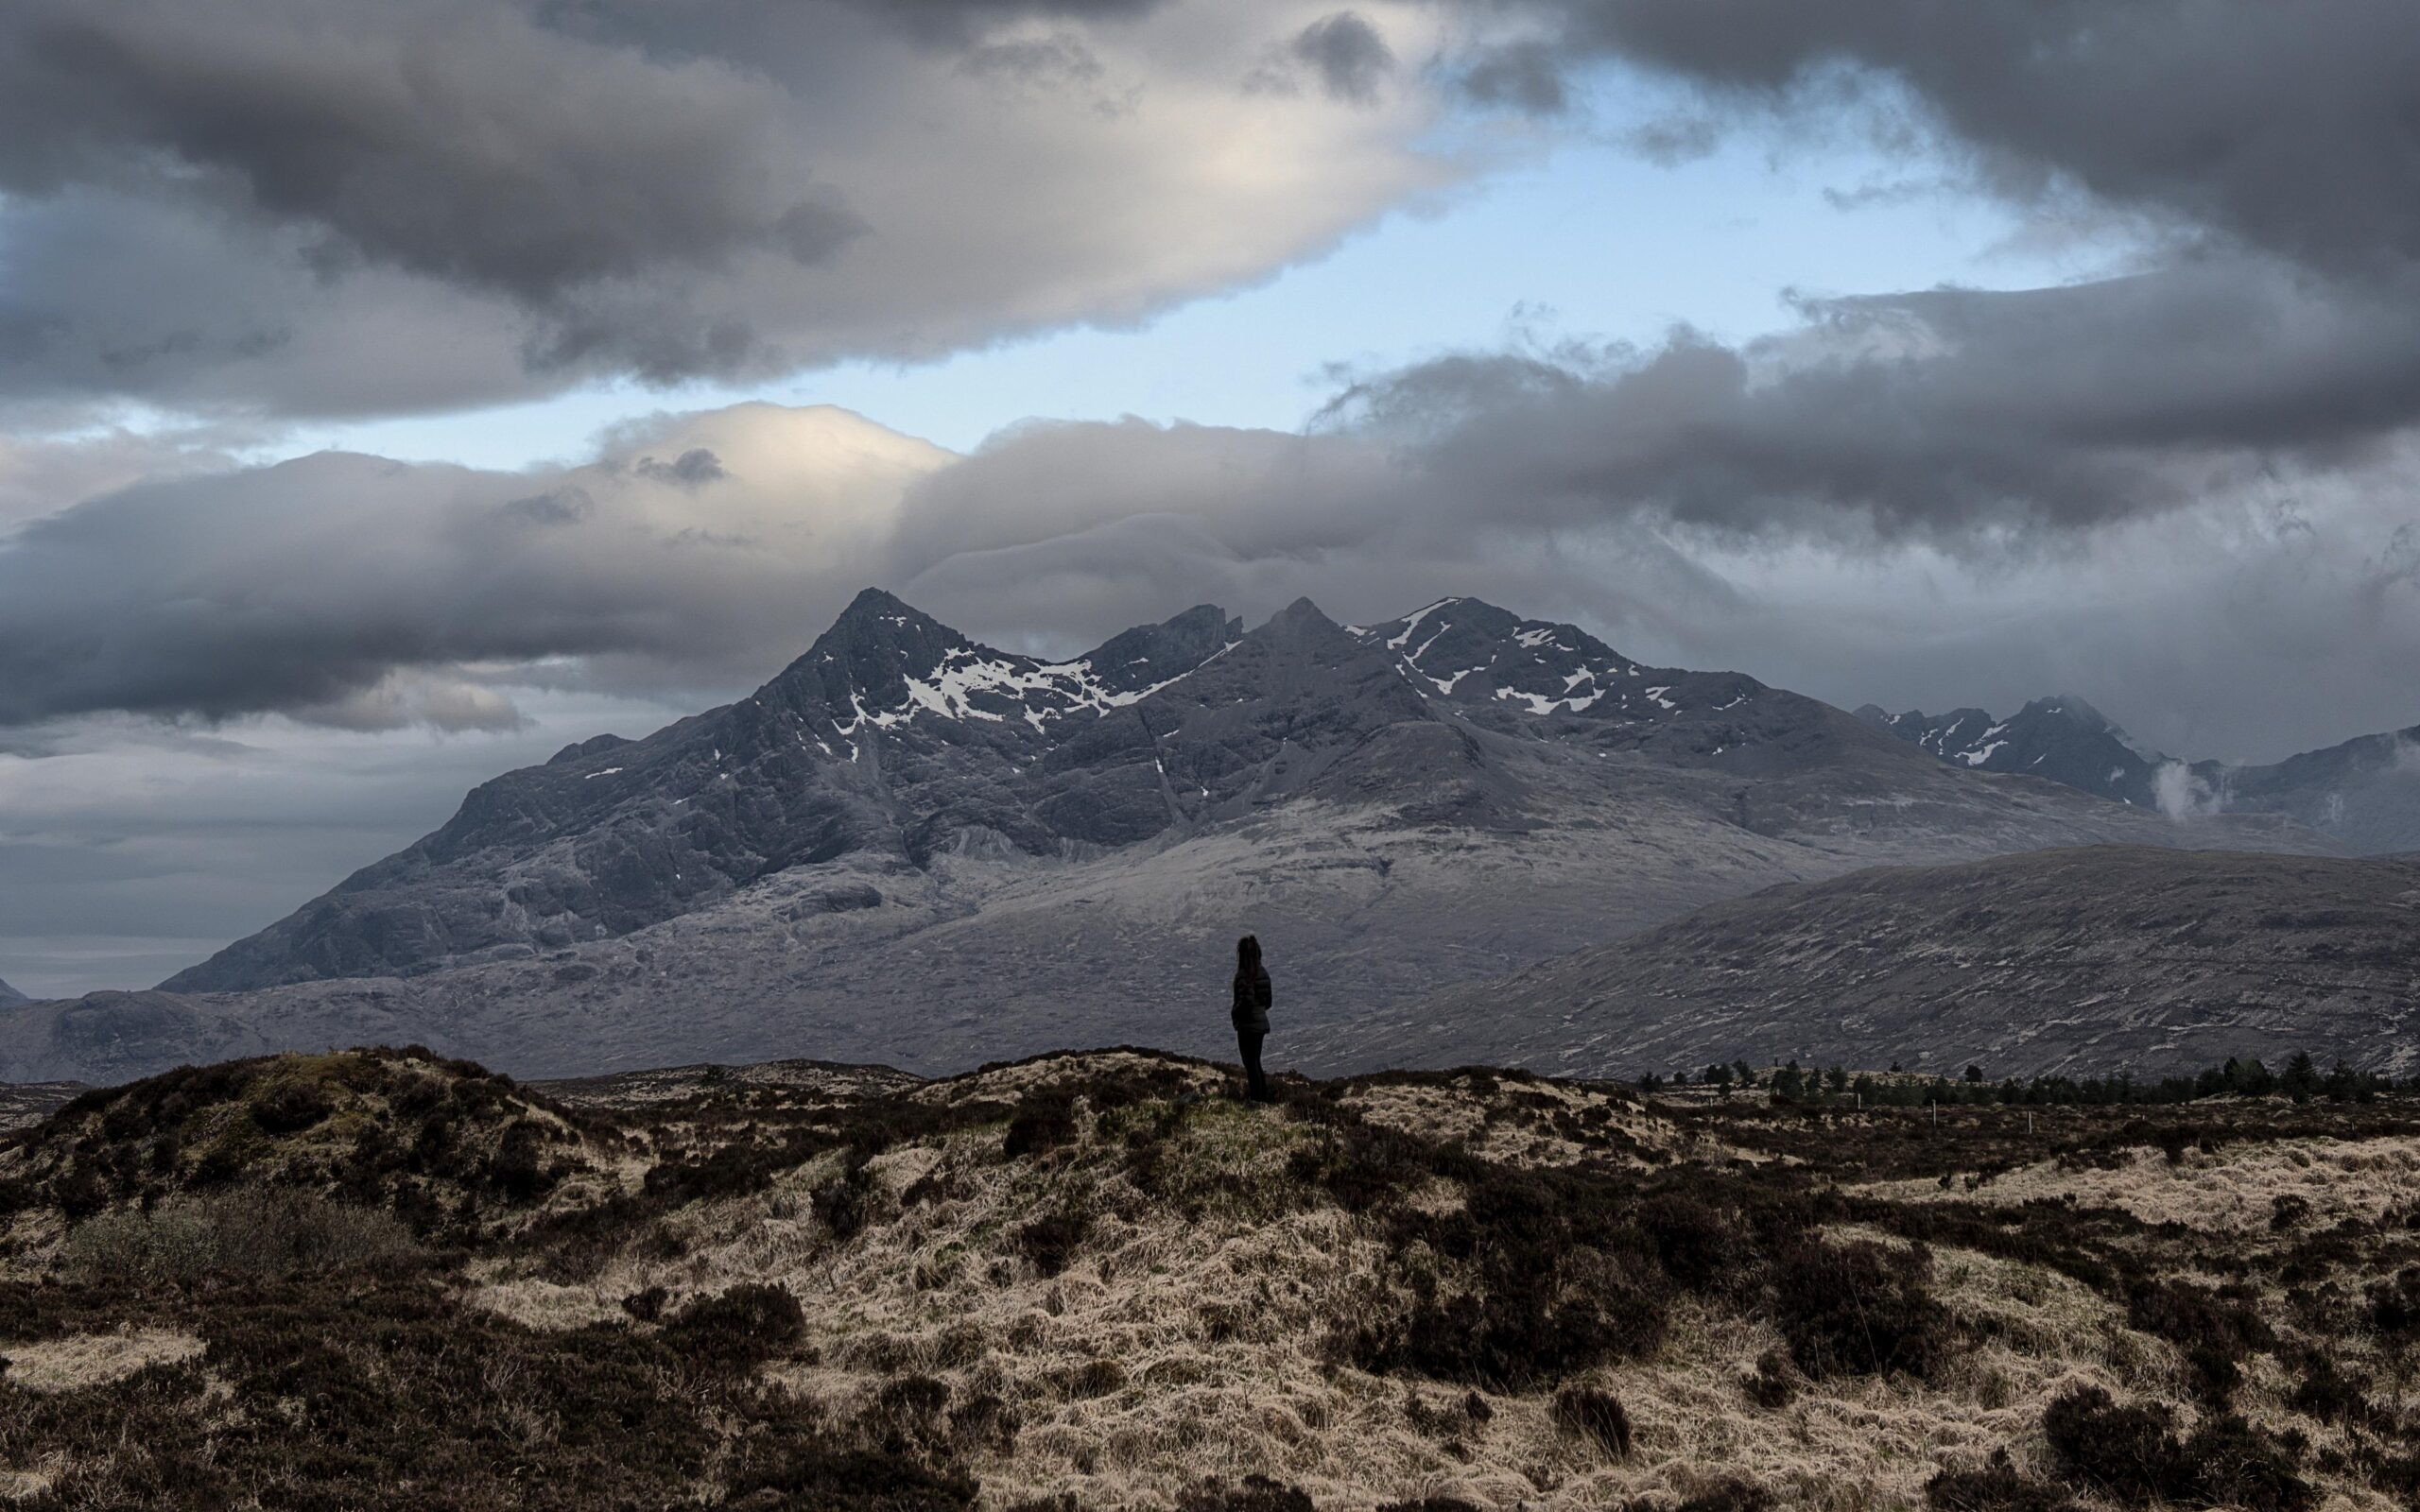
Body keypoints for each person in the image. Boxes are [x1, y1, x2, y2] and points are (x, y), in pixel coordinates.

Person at [1230, 934, 1273, 1102]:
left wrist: (1235, 1012)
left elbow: (1245, 1002)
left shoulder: (1243, 975)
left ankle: (1256, 1100)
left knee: (1250, 1063)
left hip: (1247, 1026)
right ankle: (1263, 1099)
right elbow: (1268, 1002)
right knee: (1256, 1063)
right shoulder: (1263, 973)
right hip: (1261, 1024)